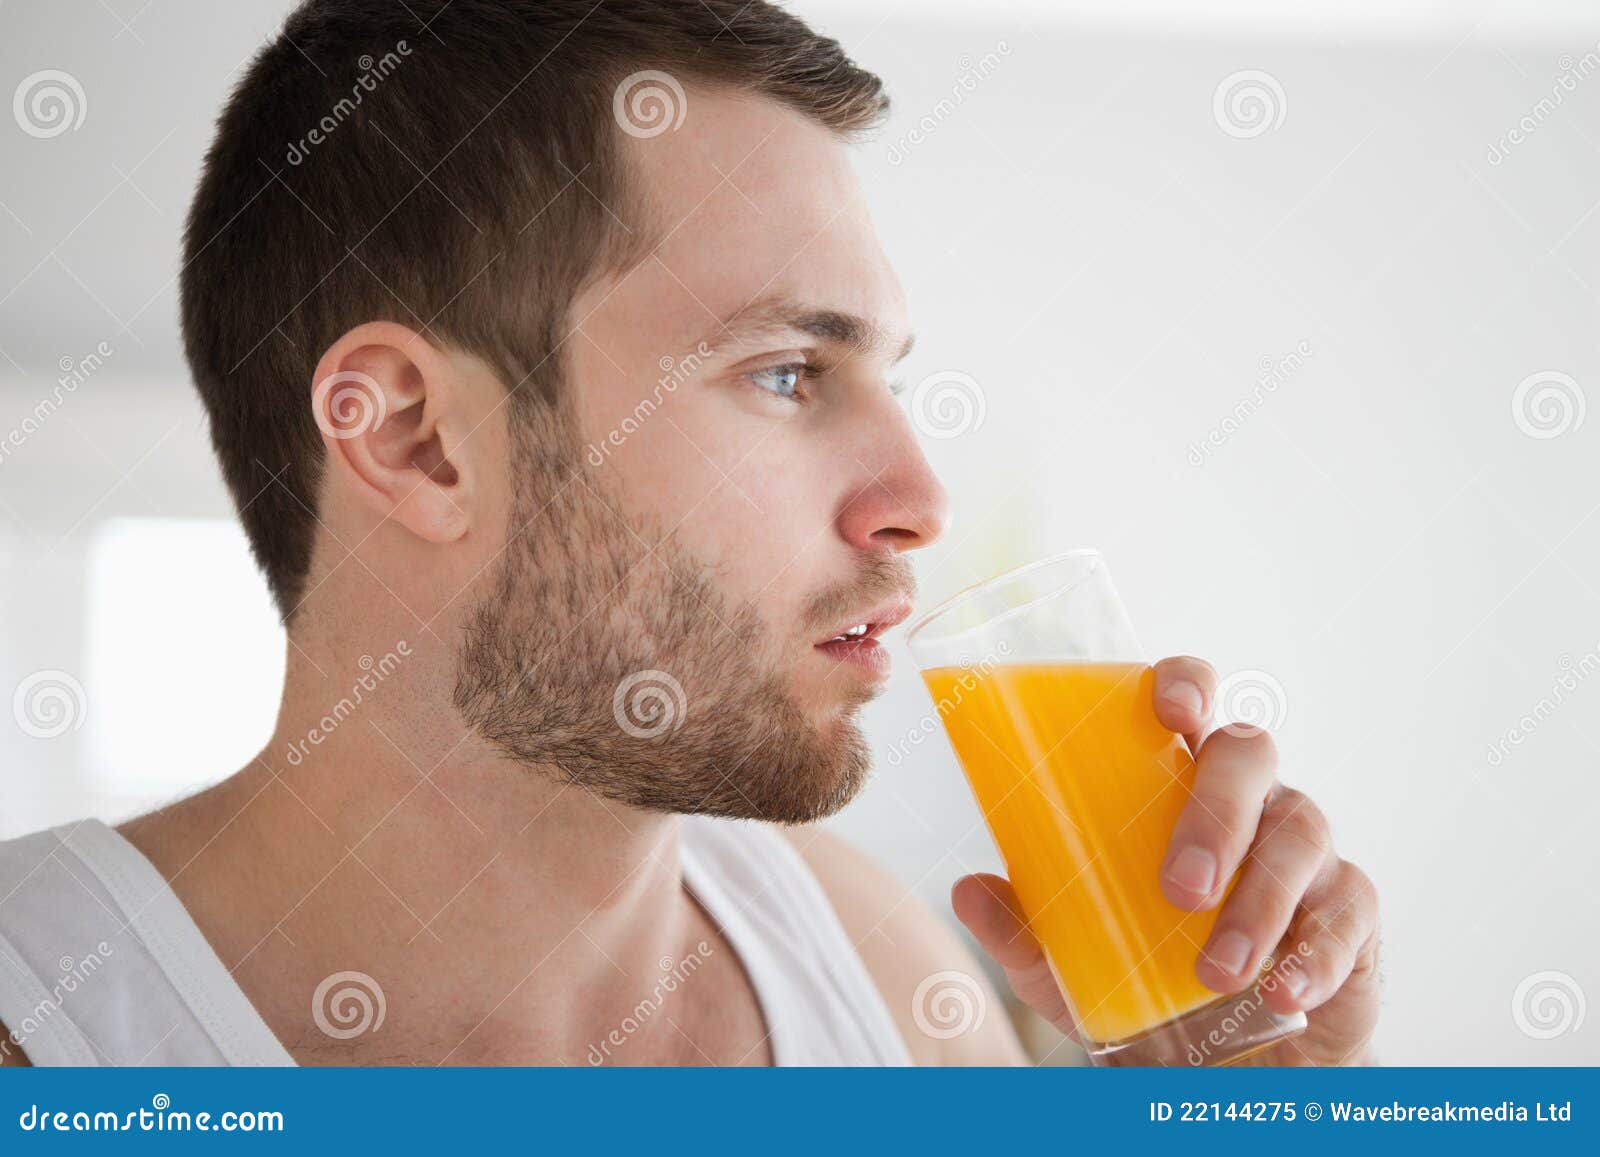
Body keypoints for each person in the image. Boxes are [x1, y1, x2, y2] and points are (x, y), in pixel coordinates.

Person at [0, 0, 1378, 1067]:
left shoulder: (888, 980)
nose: (921, 494)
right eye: (786, 371)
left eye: (885, 375)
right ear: (414, 437)